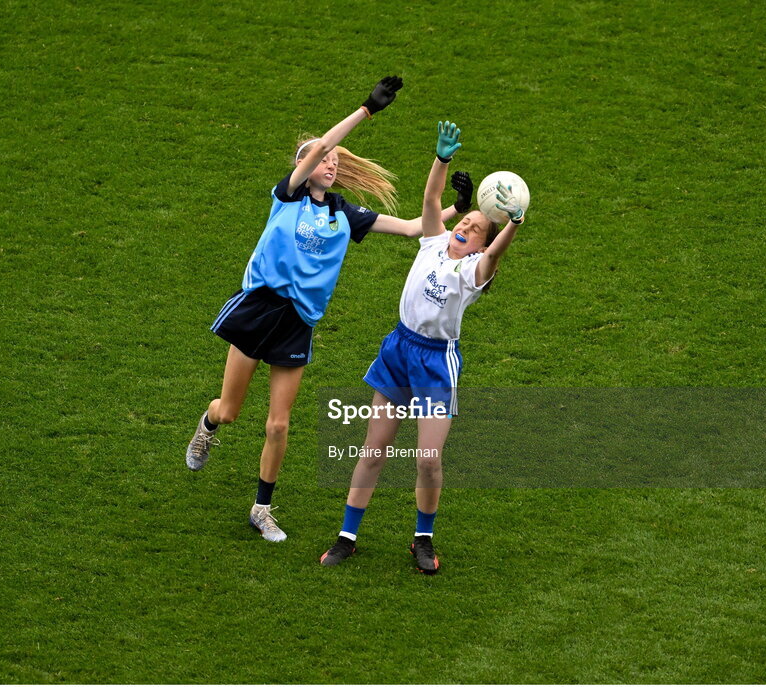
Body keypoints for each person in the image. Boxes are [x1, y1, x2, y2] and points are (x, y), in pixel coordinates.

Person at [185, 78, 473, 543]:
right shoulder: (289, 196)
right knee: (232, 409)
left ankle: (262, 508)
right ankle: (209, 424)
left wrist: (457, 209)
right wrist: (367, 111)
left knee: (278, 423)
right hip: (258, 310)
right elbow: (321, 145)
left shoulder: (345, 214)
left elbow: (410, 229)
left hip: (297, 324)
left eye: (337, 162)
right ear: (305, 166)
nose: (332, 164)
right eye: (325, 160)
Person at [319, 120, 526, 573]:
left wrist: (514, 223)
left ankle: (423, 538)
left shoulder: (474, 271)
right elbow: (432, 201)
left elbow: (495, 256)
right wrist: (442, 158)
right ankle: (346, 537)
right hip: (399, 349)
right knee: (373, 451)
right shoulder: (433, 244)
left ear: (480, 244)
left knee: (428, 461)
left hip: (436, 363)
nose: (466, 226)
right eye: (466, 221)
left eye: (473, 228)